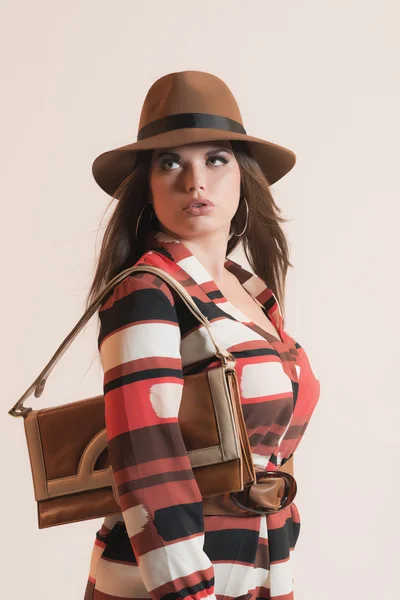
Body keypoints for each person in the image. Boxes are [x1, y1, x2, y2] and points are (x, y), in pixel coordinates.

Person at [83, 70, 321, 600]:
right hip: (176, 579)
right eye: (171, 163)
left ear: (244, 176)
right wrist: (189, 591)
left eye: (216, 159)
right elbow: (146, 457)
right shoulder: (147, 289)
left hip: (257, 563)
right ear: (147, 185)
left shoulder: (248, 292)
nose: (196, 182)